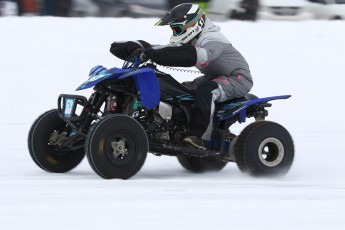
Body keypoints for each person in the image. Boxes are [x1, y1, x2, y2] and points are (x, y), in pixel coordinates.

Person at [110, 3, 253, 149]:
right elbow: (166, 49)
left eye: (177, 28)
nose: (175, 32)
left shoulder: (213, 38)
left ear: (194, 24)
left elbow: (196, 55)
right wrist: (139, 47)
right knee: (180, 92)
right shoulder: (194, 38)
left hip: (237, 78)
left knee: (206, 90)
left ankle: (198, 137)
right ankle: (178, 128)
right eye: (174, 29)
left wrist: (155, 55)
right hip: (215, 77)